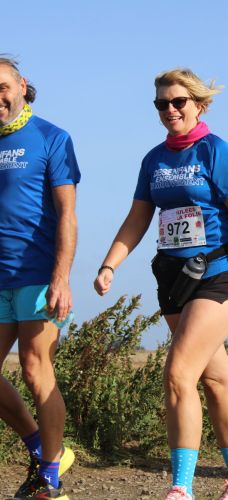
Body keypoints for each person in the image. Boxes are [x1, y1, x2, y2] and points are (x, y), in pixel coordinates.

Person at [94, 68, 228, 500]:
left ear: (199, 105)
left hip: (219, 275)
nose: (169, 109)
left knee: (178, 373)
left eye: (178, 101)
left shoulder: (216, 151)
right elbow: (137, 218)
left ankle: (181, 488)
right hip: (173, 279)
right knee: (216, 381)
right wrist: (110, 264)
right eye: (161, 103)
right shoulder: (154, 160)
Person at [0, 56, 80, 499]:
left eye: (2, 87)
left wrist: (61, 277)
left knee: (35, 367)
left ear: (21, 85)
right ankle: (43, 448)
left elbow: (67, 213)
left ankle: (50, 481)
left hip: (37, 274)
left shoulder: (52, 137)